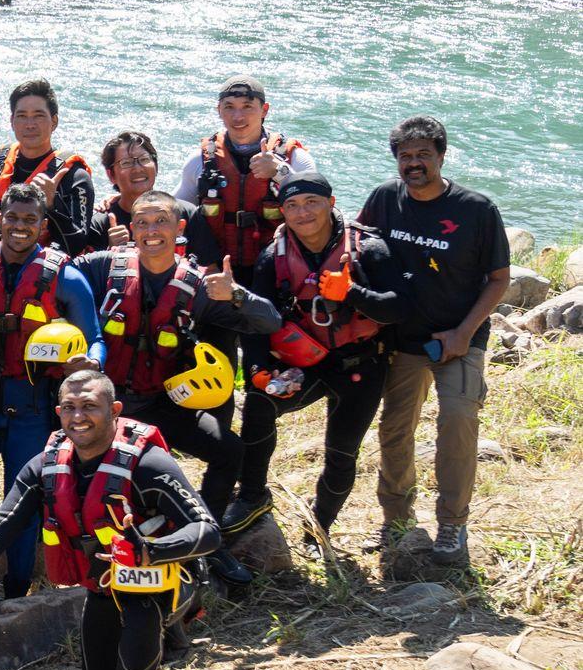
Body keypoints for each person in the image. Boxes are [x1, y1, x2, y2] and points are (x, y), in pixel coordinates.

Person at [0, 371, 221, 670]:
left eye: (90, 407)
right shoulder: (47, 465)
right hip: (103, 583)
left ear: (114, 409)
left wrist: (148, 551)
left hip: (167, 572)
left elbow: (208, 530)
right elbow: (0, 527)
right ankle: (162, 645)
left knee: (132, 635)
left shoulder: (147, 463)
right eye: (69, 407)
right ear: (58, 412)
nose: (78, 417)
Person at [71, 192, 278, 585]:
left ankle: (205, 542)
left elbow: (268, 321)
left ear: (179, 229)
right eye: (143, 223)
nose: (152, 231)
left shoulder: (198, 285)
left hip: (161, 406)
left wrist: (236, 294)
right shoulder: (103, 267)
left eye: (161, 222)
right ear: (131, 229)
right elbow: (58, 272)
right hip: (107, 411)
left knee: (229, 450)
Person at [0, 183, 103, 615]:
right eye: (12, 218)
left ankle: (15, 590)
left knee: (24, 504)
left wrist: (89, 363)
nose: (19, 227)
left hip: (31, 406)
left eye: (30, 220)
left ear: (43, 226)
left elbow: (96, 339)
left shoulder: (63, 275)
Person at [358, 116, 510, 561]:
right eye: (406, 156)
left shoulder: (476, 209)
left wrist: (464, 333)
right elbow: (357, 248)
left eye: (424, 154)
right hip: (405, 339)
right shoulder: (386, 198)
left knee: (458, 421)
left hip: (460, 336)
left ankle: (452, 525)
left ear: (442, 156)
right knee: (395, 429)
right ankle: (398, 518)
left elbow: (498, 279)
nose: (414, 163)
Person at [233, 176, 405, 548]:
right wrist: (258, 371)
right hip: (306, 363)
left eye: (312, 202)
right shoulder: (272, 257)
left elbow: (398, 307)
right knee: (258, 404)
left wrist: (352, 293)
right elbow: (255, 322)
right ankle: (251, 496)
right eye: (293, 206)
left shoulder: (368, 249)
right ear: (283, 213)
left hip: (361, 365)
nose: (303, 212)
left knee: (341, 453)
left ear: (331, 203)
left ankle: (318, 528)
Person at [173, 75, 317, 270]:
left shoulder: (295, 159)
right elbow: (175, 210)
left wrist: (280, 172)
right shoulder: (199, 160)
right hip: (214, 266)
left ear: (264, 110)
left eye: (247, 106)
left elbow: (319, 211)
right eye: (229, 107)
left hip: (276, 267)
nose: (237, 117)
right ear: (219, 111)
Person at [0, 80, 98, 256]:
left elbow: (76, 245)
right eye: (22, 116)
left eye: (39, 115)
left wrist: (52, 206)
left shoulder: (74, 177)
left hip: (44, 273)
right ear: (12, 121)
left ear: (54, 121)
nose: (30, 124)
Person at [89, 131, 222, 264]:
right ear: (111, 175)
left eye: (144, 159)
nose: (137, 168)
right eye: (126, 163)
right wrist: (110, 253)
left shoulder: (186, 214)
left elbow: (211, 270)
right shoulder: (100, 224)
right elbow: (89, 280)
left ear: (156, 166)